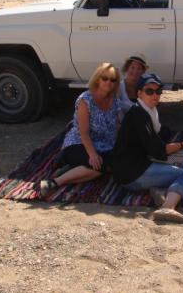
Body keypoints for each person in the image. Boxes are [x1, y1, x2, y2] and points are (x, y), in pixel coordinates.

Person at [106, 73, 183, 224]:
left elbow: (157, 141)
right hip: (132, 174)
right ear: (139, 93)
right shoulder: (139, 116)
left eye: (158, 91)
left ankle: (159, 191)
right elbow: (159, 151)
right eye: (149, 91)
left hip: (136, 164)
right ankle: (167, 207)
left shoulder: (146, 111)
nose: (155, 95)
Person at [39, 62, 123, 196]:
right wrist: (93, 155)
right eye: (105, 78)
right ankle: (54, 182)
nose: (108, 82)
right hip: (79, 143)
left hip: (105, 145)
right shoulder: (85, 99)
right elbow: (83, 133)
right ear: (97, 79)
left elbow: (118, 126)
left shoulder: (115, 101)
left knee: (110, 166)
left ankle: (72, 171)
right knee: (100, 166)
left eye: (113, 80)